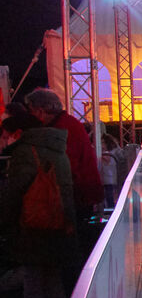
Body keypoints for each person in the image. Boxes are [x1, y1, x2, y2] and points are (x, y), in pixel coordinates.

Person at [0, 114, 76, 298]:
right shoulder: (56, 146)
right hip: (57, 222)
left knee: (33, 280)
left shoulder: (25, 153)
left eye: (5, 134)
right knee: (52, 277)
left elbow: (15, 194)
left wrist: (5, 222)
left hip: (34, 226)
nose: (4, 139)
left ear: (18, 132)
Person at [24, 89, 103, 223]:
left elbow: (66, 167)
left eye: (31, 111)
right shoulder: (68, 123)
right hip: (83, 191)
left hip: (77, 194)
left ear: (41, 111)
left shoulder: (60, 130)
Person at [99, 133, 122, 208]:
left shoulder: (109, 154)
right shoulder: (112, 153)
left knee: (110, 198)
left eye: (102, 142)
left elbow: (107, 160)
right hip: (107, 179)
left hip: (109, 179)